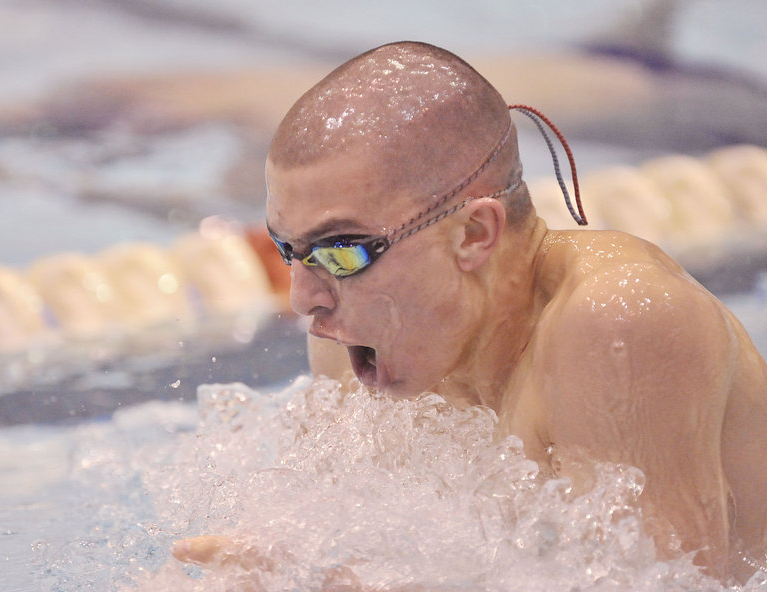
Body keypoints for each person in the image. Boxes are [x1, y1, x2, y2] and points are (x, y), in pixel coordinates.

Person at [174, 41, 767, 582]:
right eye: (290, 251)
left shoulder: (620, 325)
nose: (305, 298)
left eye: (342, 252)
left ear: (474, 233)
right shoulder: (356, 337)